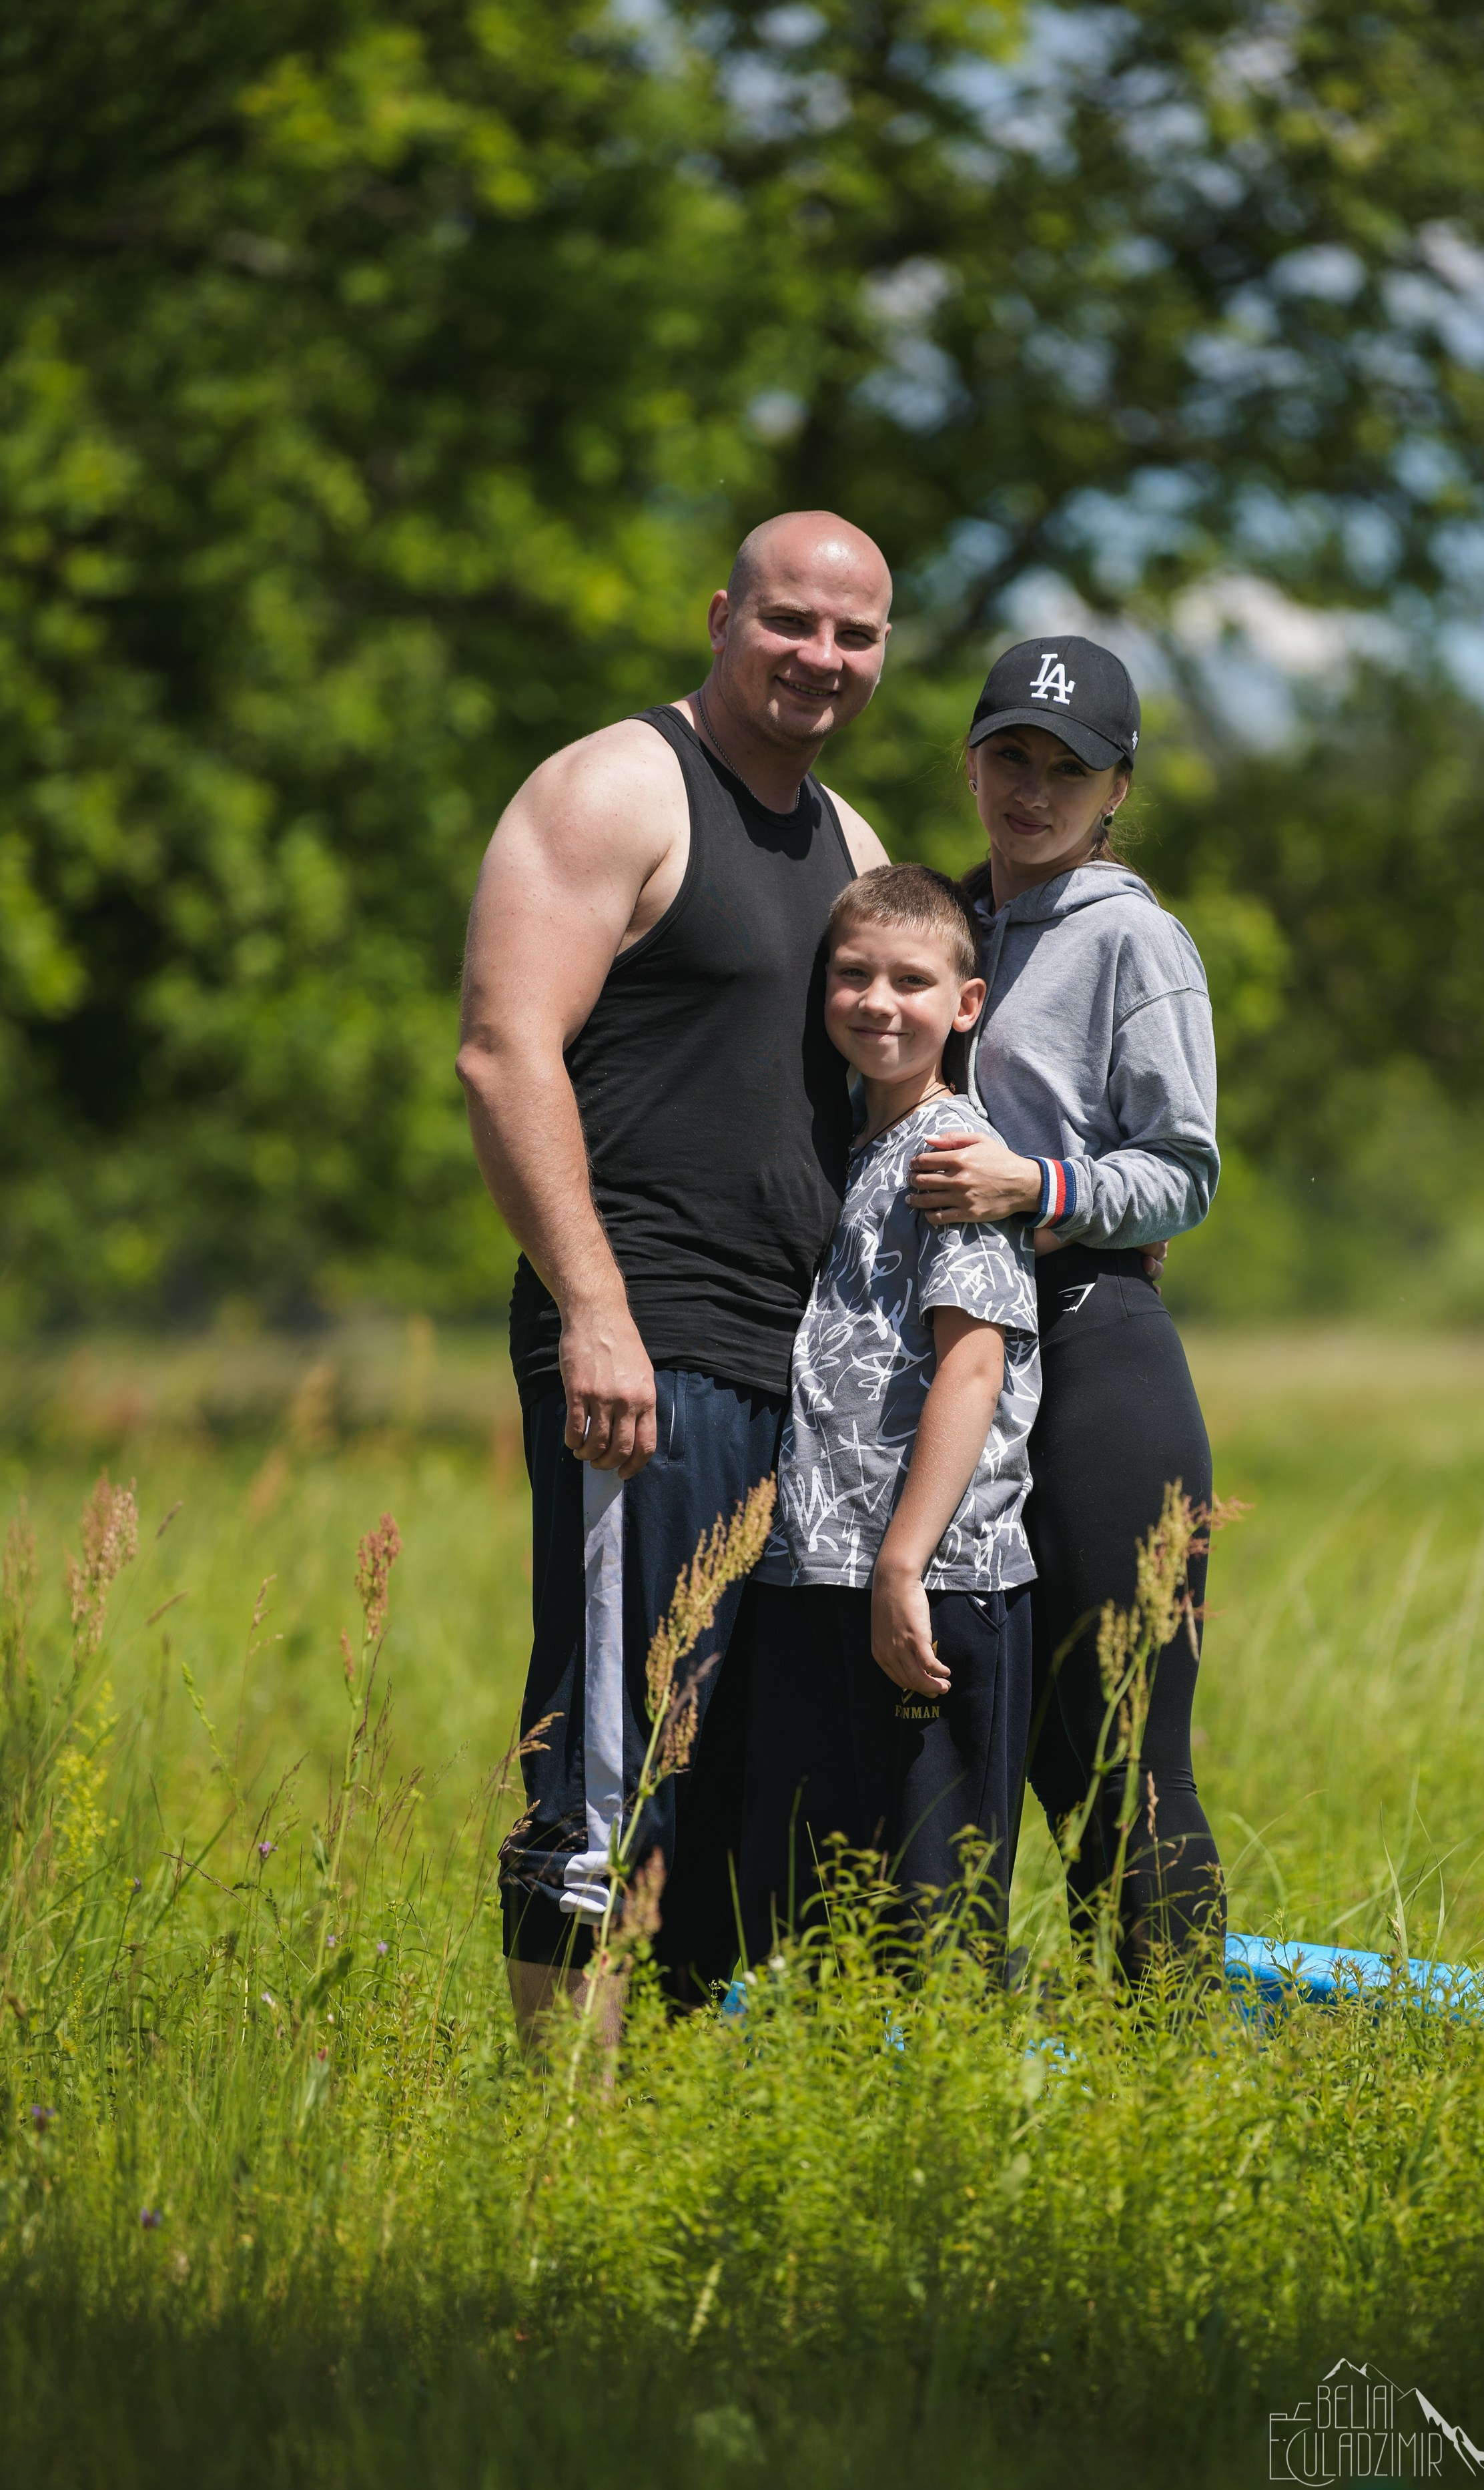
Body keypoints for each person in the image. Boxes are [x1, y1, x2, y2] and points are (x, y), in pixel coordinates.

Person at [456, 511, 891, 2045]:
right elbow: (506, 1053)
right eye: (788, 622)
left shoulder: (851, 845)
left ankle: (658, 2100)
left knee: (741, 1773)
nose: (818, 658)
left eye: (852, 635)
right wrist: (590, 1308)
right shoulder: (618, 789)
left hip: (800, 1377)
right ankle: (555, 2162)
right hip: (641, 1352)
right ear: (722, 616)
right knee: (606, 1757)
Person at [905, 634, 1223, 1973]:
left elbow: (1183, 1171)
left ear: (1116, 793)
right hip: (947, 1365)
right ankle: (965, 2063)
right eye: (1009, 757)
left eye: (1067, 768)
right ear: (969, 763)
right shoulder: (925, 928)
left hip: (1095, 1361)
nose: (1032, 788)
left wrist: (1033, 1184)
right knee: (988, 1737)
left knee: (1119, 1759)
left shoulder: (1133, 940)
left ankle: (1168, 2075)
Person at [738, 865, 1038, 1961]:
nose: (878, 1001)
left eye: (911, 980)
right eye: (853, 975)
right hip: (817, 1575)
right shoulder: (850, 1152)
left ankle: (950, 2131)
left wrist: (902, 1567)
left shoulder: (956, 1156)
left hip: (934, 1583)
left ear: (966, 1005)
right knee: (820, 1918)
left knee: (932, 1927)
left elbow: (973, 1367)